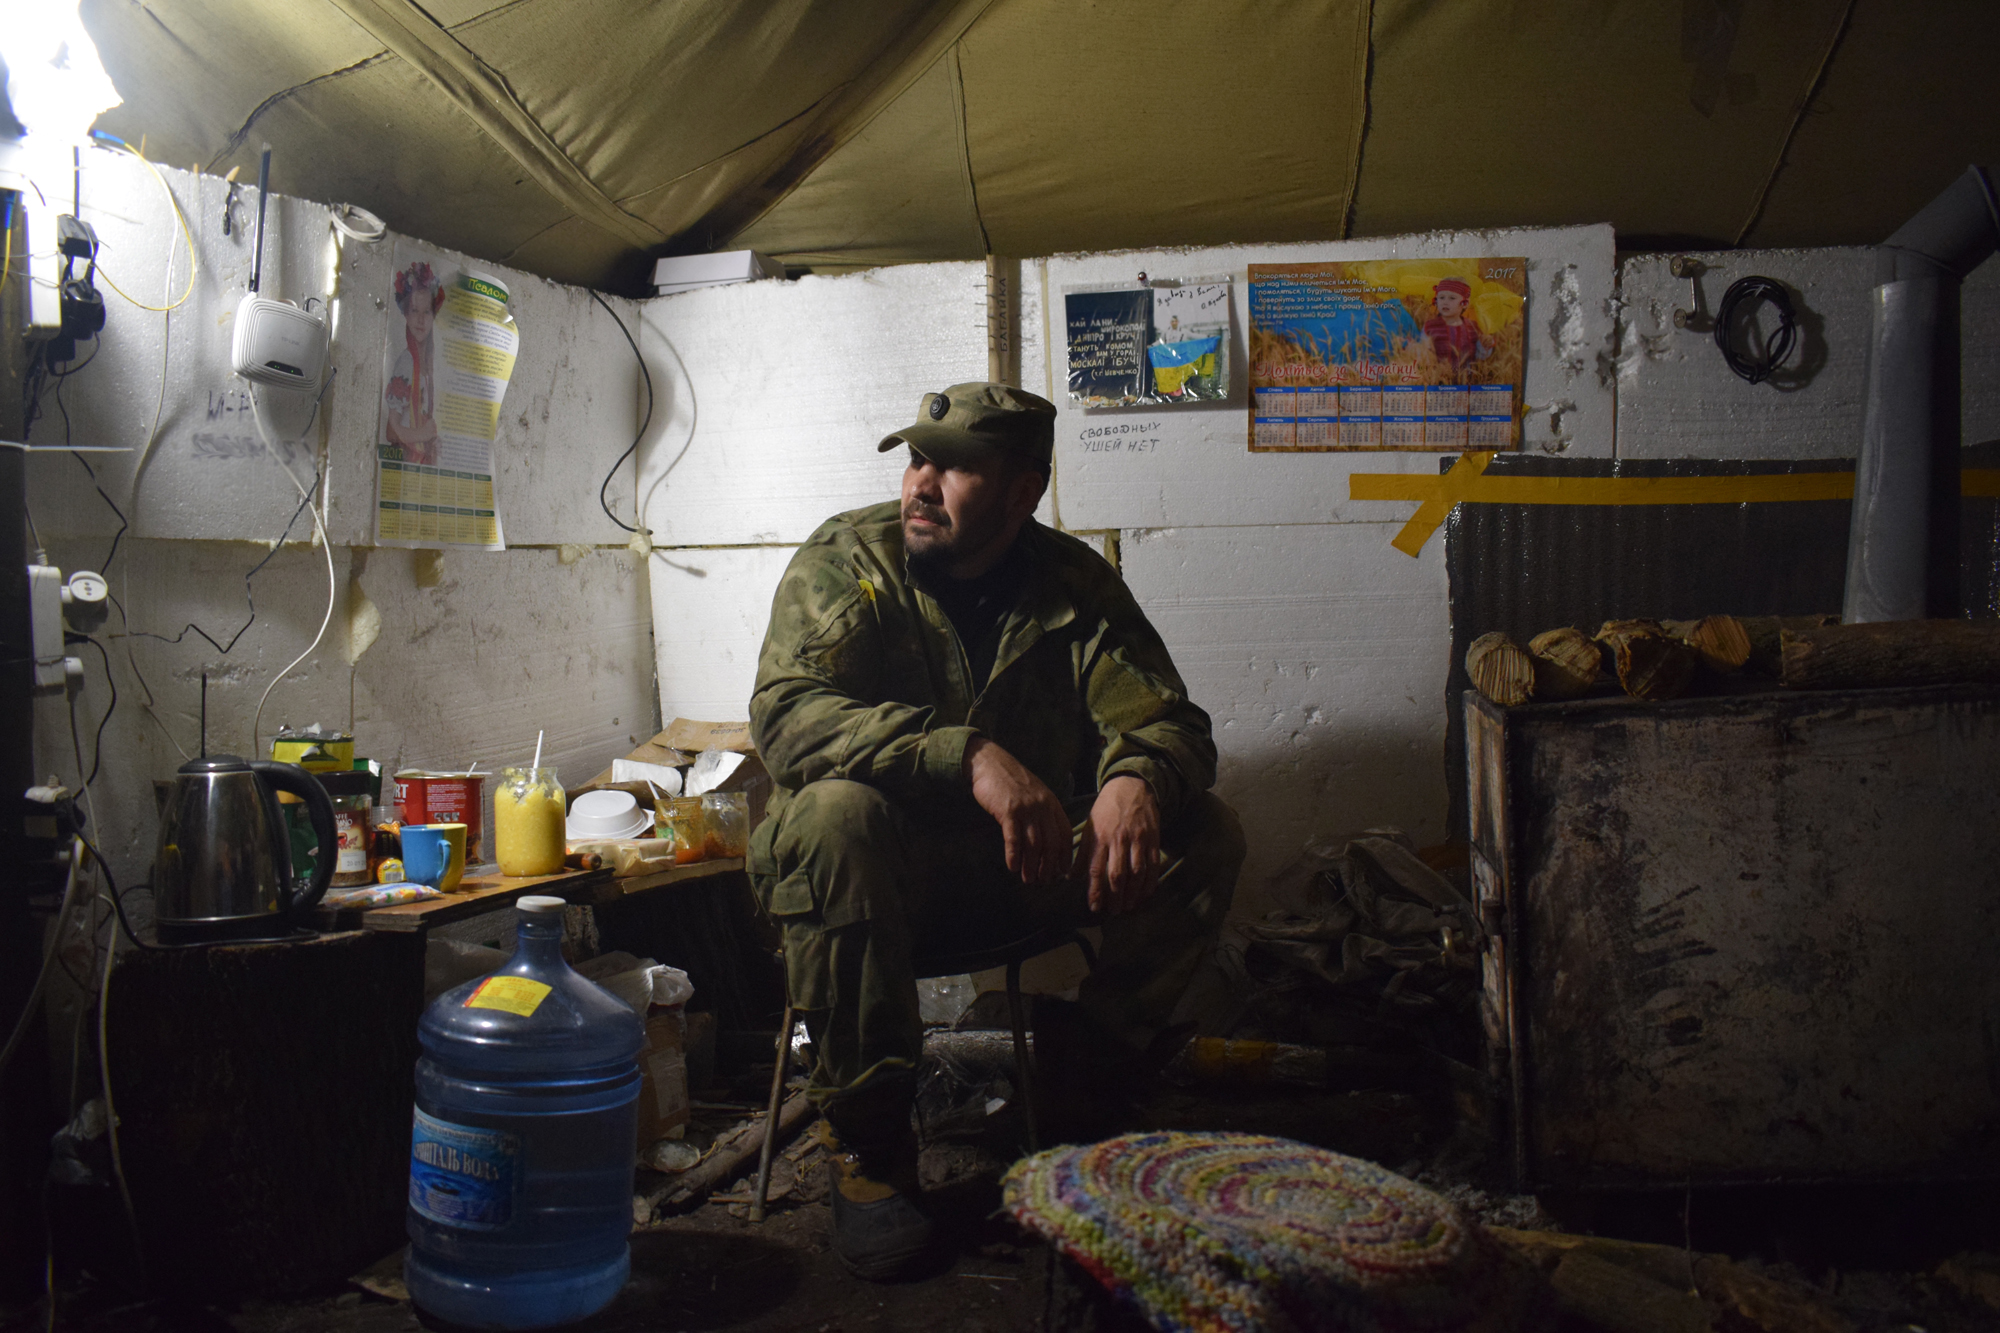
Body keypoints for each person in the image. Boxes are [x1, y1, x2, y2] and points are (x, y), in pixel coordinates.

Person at [748, 382, 1245, 1279]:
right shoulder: (848, 561)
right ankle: (868, 1143)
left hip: (1020, 870)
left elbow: (1170, 721)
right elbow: (787, 721)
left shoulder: (1072, 583)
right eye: (916, 458)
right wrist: (967, 753)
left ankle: (1087, 1080)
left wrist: (1135, 777)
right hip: (876, 880)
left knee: (1200, 830)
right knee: (831, 815)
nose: (921, 483)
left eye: (955, 467)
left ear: (1023, 491)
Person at [385, 261, 443, 465]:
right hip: (404, 464)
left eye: (426, 312)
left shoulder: (428, 363)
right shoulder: (406, 362)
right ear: (406, 315)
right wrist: (423, 434)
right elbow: (392, 432)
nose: (420, 319)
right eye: (414, 311)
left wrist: (430, 441)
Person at [1422, 276, 1491, 377]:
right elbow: (1423, 355)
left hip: (1467, 379)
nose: (1445, 302)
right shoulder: (1430, 327)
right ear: (1436, 300)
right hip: (1439, 380)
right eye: (1441, 297)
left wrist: (1485, 344)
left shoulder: (1473, 327)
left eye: (1452, 298)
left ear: (1464, 303)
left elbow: (1481, 356)